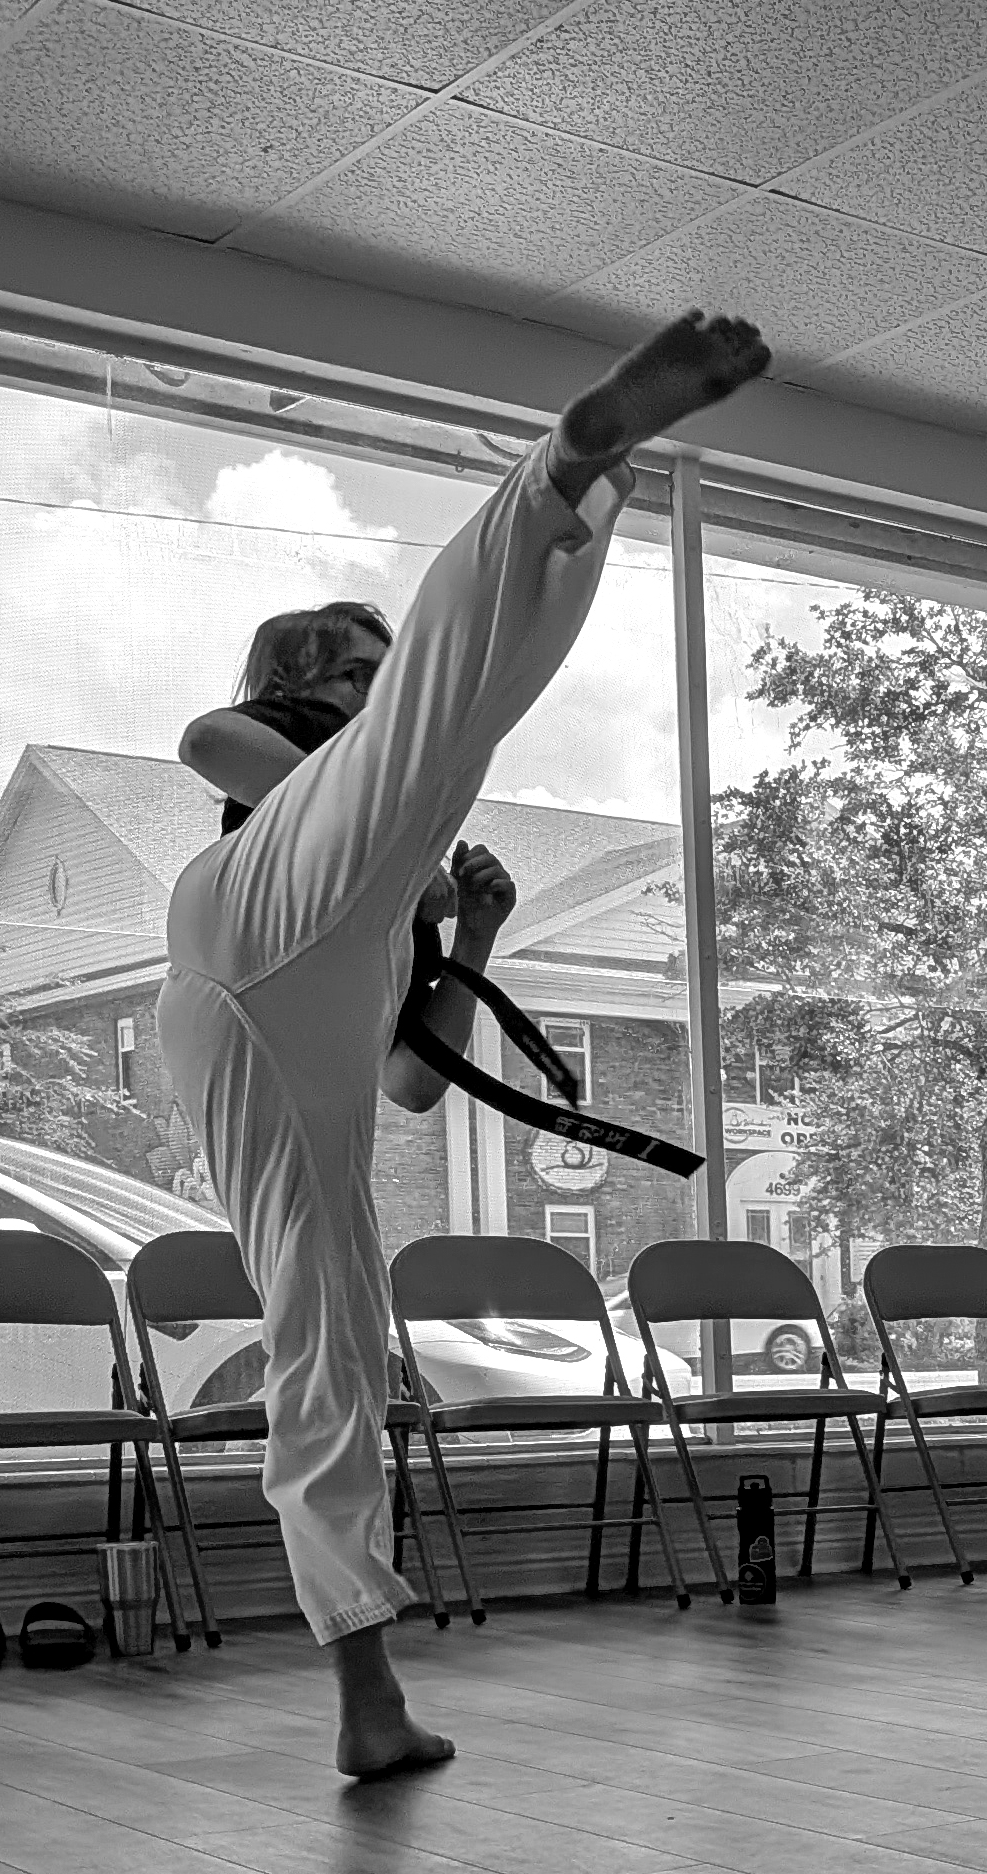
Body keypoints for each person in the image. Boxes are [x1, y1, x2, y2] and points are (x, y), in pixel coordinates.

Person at [160, 311, 770, 1777]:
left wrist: (472, 940)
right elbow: (210, 745)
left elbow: (413, 1084)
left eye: (381, 660)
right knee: (442, 727)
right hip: (245, 946)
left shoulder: (390, 843)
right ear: (301, 678)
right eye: (354, 663)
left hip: (323, 993)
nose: (376, 675)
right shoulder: (262, 751)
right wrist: (391, 792)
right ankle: (571, 467)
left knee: (337, 1338)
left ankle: (591, 489)